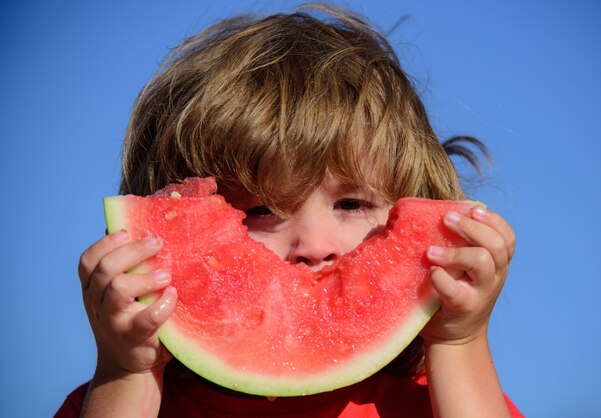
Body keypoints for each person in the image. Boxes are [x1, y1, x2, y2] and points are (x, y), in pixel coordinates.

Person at [56, 4, 521, 417]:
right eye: (260, 209)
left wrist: (460, 343)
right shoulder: (105, 399)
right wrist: (127, 372)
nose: (315, 246)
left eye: (352, 203)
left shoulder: (430, 401)